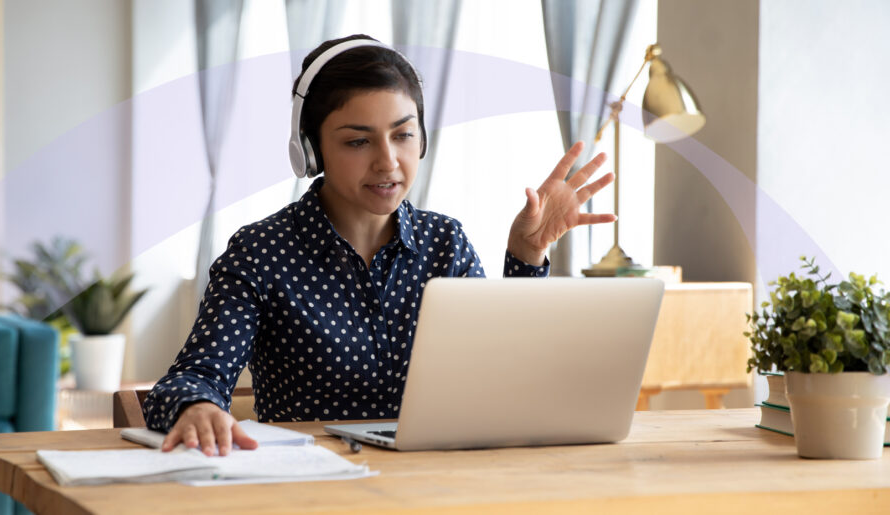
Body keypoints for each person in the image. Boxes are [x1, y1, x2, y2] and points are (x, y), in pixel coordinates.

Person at [142, 34, 616, 456]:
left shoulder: (444, 243)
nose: (388, 162)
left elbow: (510, 376)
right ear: (310, 149)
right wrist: (198, 406)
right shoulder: (261, 252)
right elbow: (190, 378)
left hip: (437, 486)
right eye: (357, 142)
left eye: (404, 134)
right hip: (309, 489)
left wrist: (527, 256)